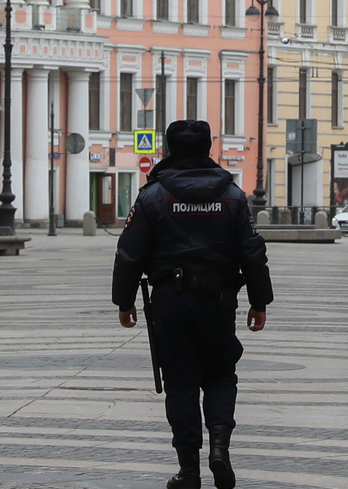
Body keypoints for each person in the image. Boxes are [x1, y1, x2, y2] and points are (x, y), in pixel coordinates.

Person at [112, 119, 273, 489]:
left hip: (170, 300)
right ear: (209, 149)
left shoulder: (152, 196)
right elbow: (252, 252)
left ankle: (188, 470)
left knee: (181, 383)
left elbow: (129, 253)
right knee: (219, 375)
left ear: (168, 149)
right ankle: (219, 448)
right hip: (218, 301)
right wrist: (259, 301)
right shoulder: (232, 195)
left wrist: (123, 301)